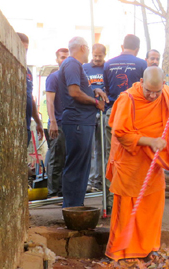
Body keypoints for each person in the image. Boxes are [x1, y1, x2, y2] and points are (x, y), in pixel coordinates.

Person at [105, 67, 169, 261]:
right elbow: (120, 132)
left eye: (157, 91)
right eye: (148, 91)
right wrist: (150, 141)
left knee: (152, 208)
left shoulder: (167, 94)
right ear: (141, 82)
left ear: (163, 85)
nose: (153, 96)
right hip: (130, 161)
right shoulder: (128, 98)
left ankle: (149, 248)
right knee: (127, 209)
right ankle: (122, 253)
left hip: (154, 162)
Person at [58, 37, 107, 208]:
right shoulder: (72, 64)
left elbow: (79, 89)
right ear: (84, 48)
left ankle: (75, 205)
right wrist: (95, 103)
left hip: (81, 121)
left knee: (81, 167)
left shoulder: (73, 65)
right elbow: (74, 92)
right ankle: (72, 207)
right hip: (78, 121)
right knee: (77, 167)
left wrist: (94, 90)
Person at [103, 35, 147, 212]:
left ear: (122, 46)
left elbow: (107, 89)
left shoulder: (108, 64)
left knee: (112, 157)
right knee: (136, 156)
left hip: (113, 113)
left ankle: (112, 203)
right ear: (137, 48)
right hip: (134, 115)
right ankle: (133, 203)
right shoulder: (141, 64)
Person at [46, 47, 69, 198]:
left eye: (67, 58)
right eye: (62, 57)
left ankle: (62, 192)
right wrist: (53, 122)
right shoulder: (53, 78)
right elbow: (49, 100)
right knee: (56, 159)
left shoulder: (72, 78)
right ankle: (53, 193)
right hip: (57, 124)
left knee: (67, 159)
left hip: (69, 125)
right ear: (57, 60)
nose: (65, 60)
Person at [83, 43, 107, 193]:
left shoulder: (107, 67)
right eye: (95, 55)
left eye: (100, 56)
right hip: (89, 110)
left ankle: (99, 179)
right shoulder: (85, 68)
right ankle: (91, 179)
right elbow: (83, 87)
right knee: (90, 147)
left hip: (103, 110)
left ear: (105, 55)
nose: (97, 59)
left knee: (102, 147)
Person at [18, 33, 43, 144]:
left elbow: (30, 98)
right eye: (21, 48)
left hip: (26, 127)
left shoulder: (28, 72)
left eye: (26, 50)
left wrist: (38, 122)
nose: (24, 53)